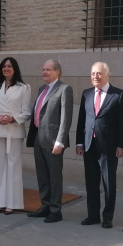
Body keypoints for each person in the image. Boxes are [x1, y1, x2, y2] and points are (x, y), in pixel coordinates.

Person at [75, 62, 123, 228]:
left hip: (109, 147)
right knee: (91, 182)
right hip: (90, 145)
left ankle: (107, 217)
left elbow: (122, 122)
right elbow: (82, 120)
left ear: (107, 75)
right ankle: (93, 215)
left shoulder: (118, 95)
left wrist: (121, 145)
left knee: (108, 183)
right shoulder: (87, 94)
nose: (95, 77)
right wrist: (79, 142)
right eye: (92, 74)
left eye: (98, 73)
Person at [26, 59, 73, 223]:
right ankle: (45, 205)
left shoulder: (64, 89)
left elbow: (65, 119)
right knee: (42, 174)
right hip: (39, 137)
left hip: (54, 140)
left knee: (54, 175)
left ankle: (55, 210)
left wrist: (60, 141)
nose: (44, 72)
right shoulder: (41, 89)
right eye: (43, 69)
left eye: (48, 70)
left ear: (57, 72)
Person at [0, 57, 32, 214]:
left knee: (13, 167)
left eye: (9, 66)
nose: (6, 68)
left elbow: (27, 112)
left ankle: (12, 203)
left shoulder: (24, 88)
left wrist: (13, 118)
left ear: (15, 68)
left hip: (14, 132)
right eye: (4, 66)